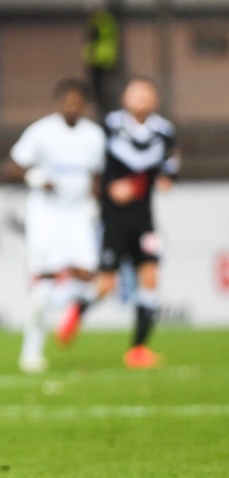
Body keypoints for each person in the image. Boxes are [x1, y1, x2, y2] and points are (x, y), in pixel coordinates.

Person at [56, 76, 179, 368]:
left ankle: (137, 349)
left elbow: (171, 163)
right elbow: (95, 163)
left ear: (155, 100)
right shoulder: (109, 126)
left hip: (145, 220)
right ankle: (78, 308)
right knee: (106, 284)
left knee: (150, 279)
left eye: (146, 93)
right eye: (135, 93)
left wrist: (167, 178)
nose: (141, 98)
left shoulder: (163, 131)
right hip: (114, 220)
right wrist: (107, 187)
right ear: (125, 98)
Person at [9, 78, 106, 373]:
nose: (73, 106)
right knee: (44, 283)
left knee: (91, 277)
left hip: (78, 215)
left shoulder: (94, 136)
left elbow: (97, 176)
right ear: (58, 103)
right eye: (68, 101)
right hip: (46, 216)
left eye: (78, 102)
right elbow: (13, 165)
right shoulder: (41, 132)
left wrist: (96, 205)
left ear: (85, 106)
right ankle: (32, 350)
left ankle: (70, 312)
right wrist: (36, 178)